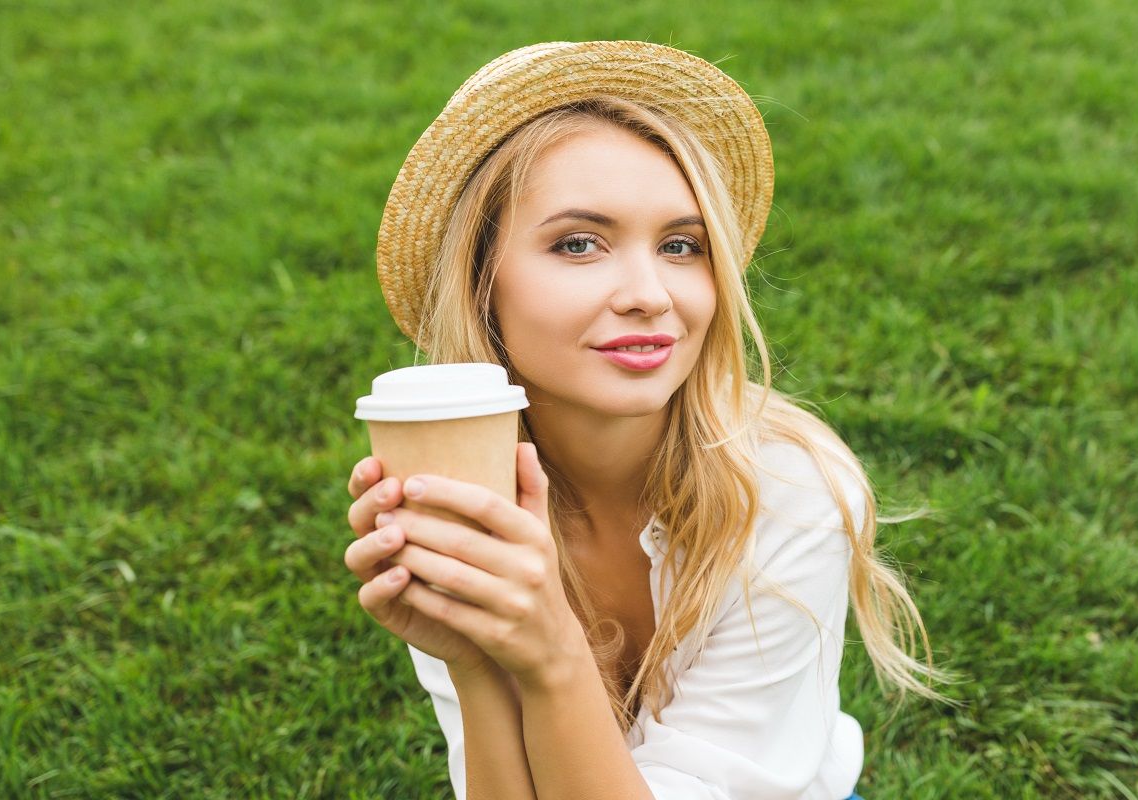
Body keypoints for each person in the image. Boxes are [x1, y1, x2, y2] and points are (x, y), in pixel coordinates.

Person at [343, 41, 952, 800]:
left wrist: (552, 651)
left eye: (679, 246)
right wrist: (476, 663)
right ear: (481, 285)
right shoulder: (463, 498)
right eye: (579, 244)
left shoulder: (793, 492)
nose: (649, 293)